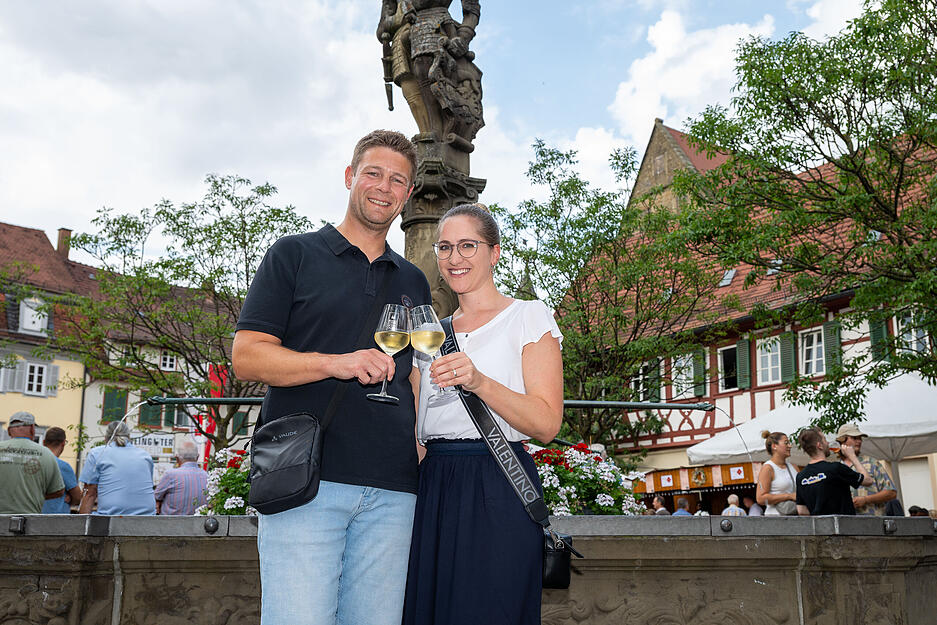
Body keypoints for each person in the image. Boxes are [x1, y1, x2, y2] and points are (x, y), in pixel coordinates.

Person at [232, 130, 431, 625]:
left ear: (407, 196)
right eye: (374, 173)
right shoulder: (293, 255)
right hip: (307, 480)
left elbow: (413, 371)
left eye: (397, 180)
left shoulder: (413, 280)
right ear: (350, 177)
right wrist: (334, 362)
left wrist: (423, 433)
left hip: (394, 487)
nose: (384, 187)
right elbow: (247, 357)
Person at [402, 203, 563, 625]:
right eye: (445, 247)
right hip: (433, 484)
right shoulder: (429, 332)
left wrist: (479, 382)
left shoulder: (528, 317)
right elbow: (417, 430)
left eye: (468, 245)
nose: (455, 258)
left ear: (494, 252)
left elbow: (547, 424)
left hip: (498, 480)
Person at [78, 421, 156, 515]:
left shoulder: (97, 453)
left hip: (111, 518)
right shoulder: (145, 456)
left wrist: (81, 525)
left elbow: (89, 493)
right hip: (147, 517)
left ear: (106, 438)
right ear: (129, 437)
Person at [795, 427, 872, 516]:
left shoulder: (801, 476)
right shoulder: (836, 468)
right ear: (819, 445)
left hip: (819, 527)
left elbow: (801, 510)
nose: (828, 443)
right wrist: (852, 456)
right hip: (845, 526)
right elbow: (868, 480)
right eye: (825, 440)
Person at [0, 412, 64, 514]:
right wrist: (34, 494)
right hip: (28, 521)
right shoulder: (46, 453)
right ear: (32, 429)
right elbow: (58, 491)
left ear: (8, 431)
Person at [834, 423, 897, 516]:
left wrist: (866, 499)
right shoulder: (835, 468)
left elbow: (891, 493)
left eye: (860, 438)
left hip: (874, 524)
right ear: (842, 441)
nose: (859, 441)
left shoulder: (872, 463)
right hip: (847, 525)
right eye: (855, 438)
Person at [154, 441, 208, 515]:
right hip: (199, 524)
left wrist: (158, 503)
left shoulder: (170, 475)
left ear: (177, 458)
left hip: (170, 524)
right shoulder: (207, 476)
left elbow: (156, 497)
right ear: (198, 457)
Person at [756, 430, 800, 516]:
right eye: (786, 443)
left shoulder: (794, 467)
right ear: (774, 446)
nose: (790, 446)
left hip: (795, 516)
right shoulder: (768, 468)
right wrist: (789, 496)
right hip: (775, 519)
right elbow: (760, 499)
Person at [41, 427, 81, 514]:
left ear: (44, 442)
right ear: (63, 444)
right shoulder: (62, 466)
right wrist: (69, 498)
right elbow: (78, 497)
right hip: (56, 517)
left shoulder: (34, 462)